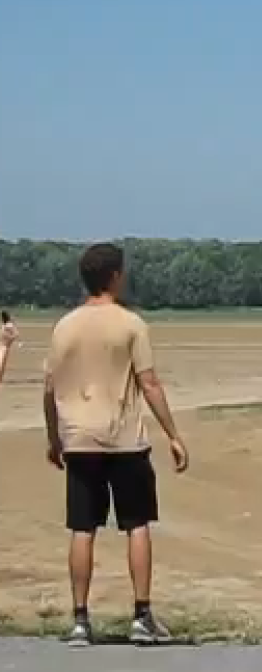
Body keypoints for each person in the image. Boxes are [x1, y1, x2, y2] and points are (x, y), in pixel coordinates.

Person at [42, 242, 190, 647]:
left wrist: (54, 437)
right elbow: (149, 383)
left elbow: (50, 389)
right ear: (114, 276)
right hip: (124, 439)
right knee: (136, 524)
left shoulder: (64, 326)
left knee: (82, 528)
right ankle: (142, 615)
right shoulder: (131, 324)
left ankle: (80, 620)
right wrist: (173, 434)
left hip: (79, 438)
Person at [0, 315, 17, 385]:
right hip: (3, 346)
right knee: (2, 363)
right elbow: (15, 335)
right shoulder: (7, 326)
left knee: (2, 364)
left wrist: (10, 339)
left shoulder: (7, 326)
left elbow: (15, 335)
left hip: (5, 346)